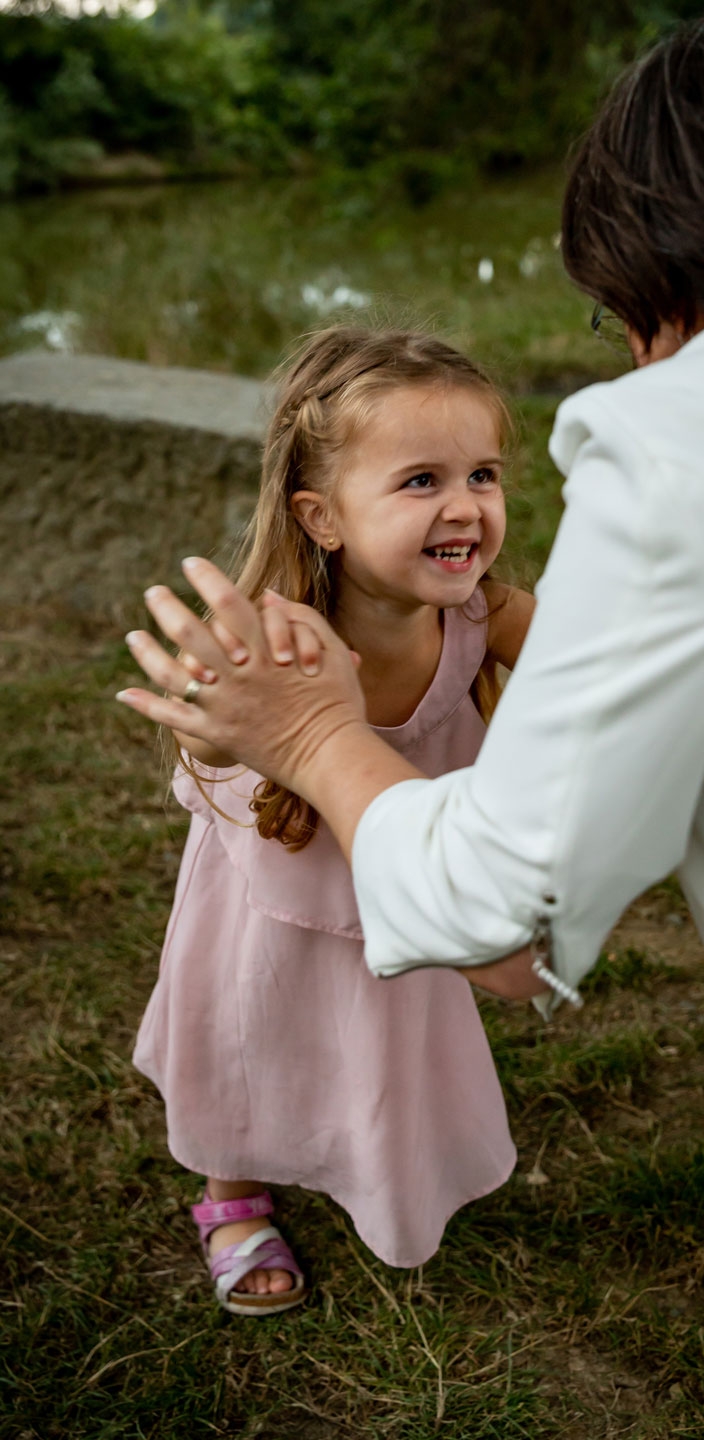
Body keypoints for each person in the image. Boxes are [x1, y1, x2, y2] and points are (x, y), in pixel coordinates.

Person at [118, 8, 704, 1437]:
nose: (636, 356)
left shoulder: (697, 425)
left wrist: (319, 740)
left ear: (660, 258)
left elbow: (504, 886)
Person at [132, 327, 533, 1315]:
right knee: (251, 1024)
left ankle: (370, 1161)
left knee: (374, 1038)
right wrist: (222, 724)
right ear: (323, 517)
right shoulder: (288, 638)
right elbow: (217, 734)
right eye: (419, 481)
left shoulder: (483, 615)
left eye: (482, 474)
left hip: (402, 887)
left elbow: (603, 666)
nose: (465, 506)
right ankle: (231, 1195)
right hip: (277, 891)